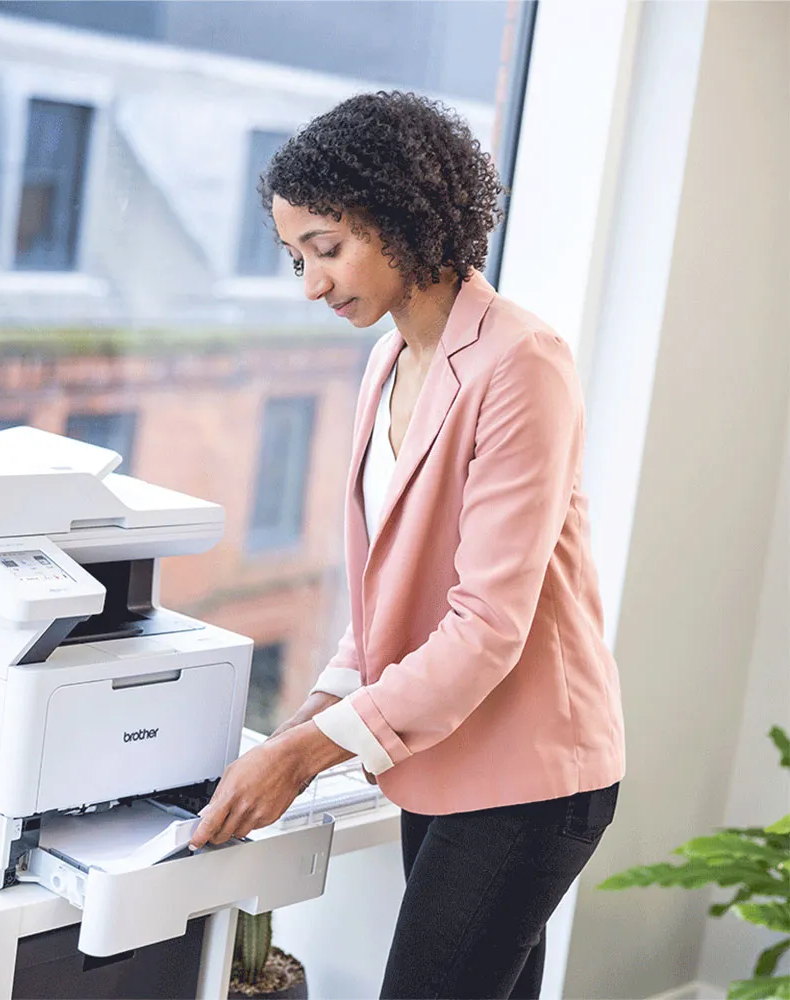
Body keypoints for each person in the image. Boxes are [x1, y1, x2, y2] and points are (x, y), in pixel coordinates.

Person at [189, 91, 625, 1000]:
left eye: (326, 248)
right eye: (297, 258)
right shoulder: (387, 361)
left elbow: (486, 625)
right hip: (444, 759)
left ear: (399, 214)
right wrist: (306, 717)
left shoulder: (521, 363)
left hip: (529, 771)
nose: (311, 285)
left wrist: (305, 756)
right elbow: (386, 598)